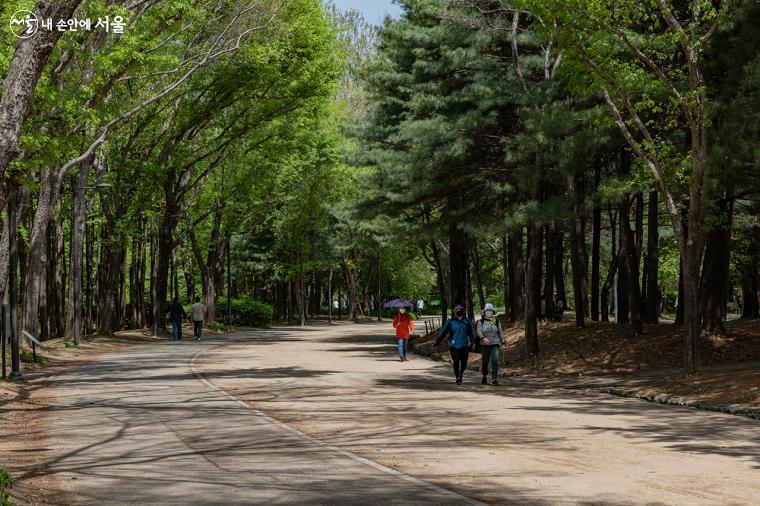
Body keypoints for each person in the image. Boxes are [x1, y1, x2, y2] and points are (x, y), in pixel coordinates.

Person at [435, 304, 473, 384]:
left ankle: (461, 373)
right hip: (453, 345)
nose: (459, 312)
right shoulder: (450, 321)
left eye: (461, 311)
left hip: (464, 345)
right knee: (456, 361)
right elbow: (443, 332)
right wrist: (437, 342)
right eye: (457, 311)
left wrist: (473, 342)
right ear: (454, 312)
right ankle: (457, 376)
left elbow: (471, 333)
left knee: (464, 362)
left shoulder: (466, 321)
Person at [477, 303, 504, 386]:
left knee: (495, 361)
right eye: (487, 311)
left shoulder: (497, 321)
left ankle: (494, 379)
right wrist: (483, 338)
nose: (489, 312)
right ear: (484, 312)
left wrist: (503, 341)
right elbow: (479, 331)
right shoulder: (481, 322)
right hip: (484, 345)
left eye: (490, 310)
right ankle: (484, 375)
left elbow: (500, 332)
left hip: (495, 343)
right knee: (485, 362)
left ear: (493, 312)